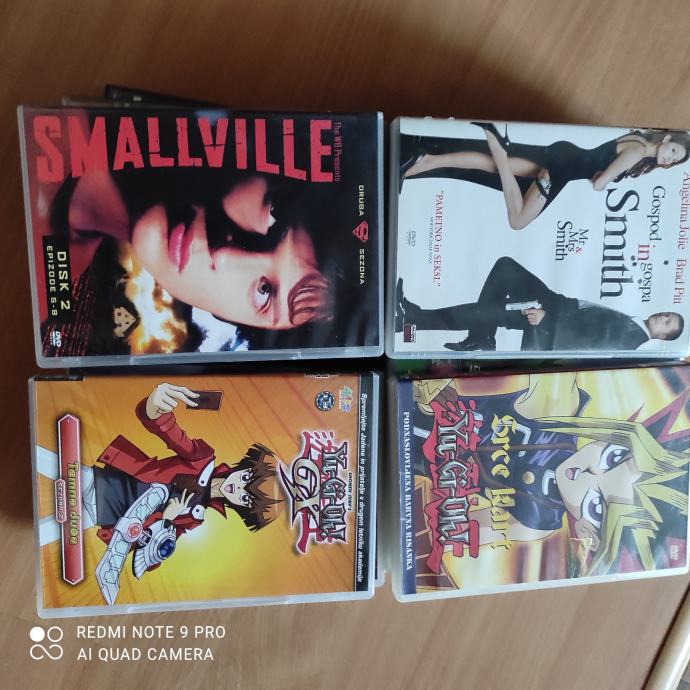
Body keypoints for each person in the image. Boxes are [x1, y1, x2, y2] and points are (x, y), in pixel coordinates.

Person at [412, 373, 689, 577]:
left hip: (409, 463)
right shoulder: (558, 411)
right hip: (411, 407)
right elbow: (551, 333)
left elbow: (445, 532)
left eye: (596, 504)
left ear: (588, 532)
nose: (587, 475)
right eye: (612, 458)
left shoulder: (538, 522)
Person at [400, 123, 690, 229]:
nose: (669, 159)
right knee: (518, 220)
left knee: (493, 167)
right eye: (674, 151)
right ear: (667, 138)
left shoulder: (637, 139)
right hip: (561, 169)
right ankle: (497, 143)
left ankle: (424, 162)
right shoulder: (638, 152)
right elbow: (599, 183)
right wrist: (602, 180)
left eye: (675, 161)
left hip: (564, 156)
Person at [395, 257, 685, 352]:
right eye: (667, 314)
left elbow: (585, 343)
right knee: (506, 268)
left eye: (667, 322)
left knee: (489, 313)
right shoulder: (633, 322)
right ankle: (481, 337)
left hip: (547, 331)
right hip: (556, 305)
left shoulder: (630, 340)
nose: (663, 316)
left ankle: (411, 320)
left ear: (663, 337)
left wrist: (546, 320)